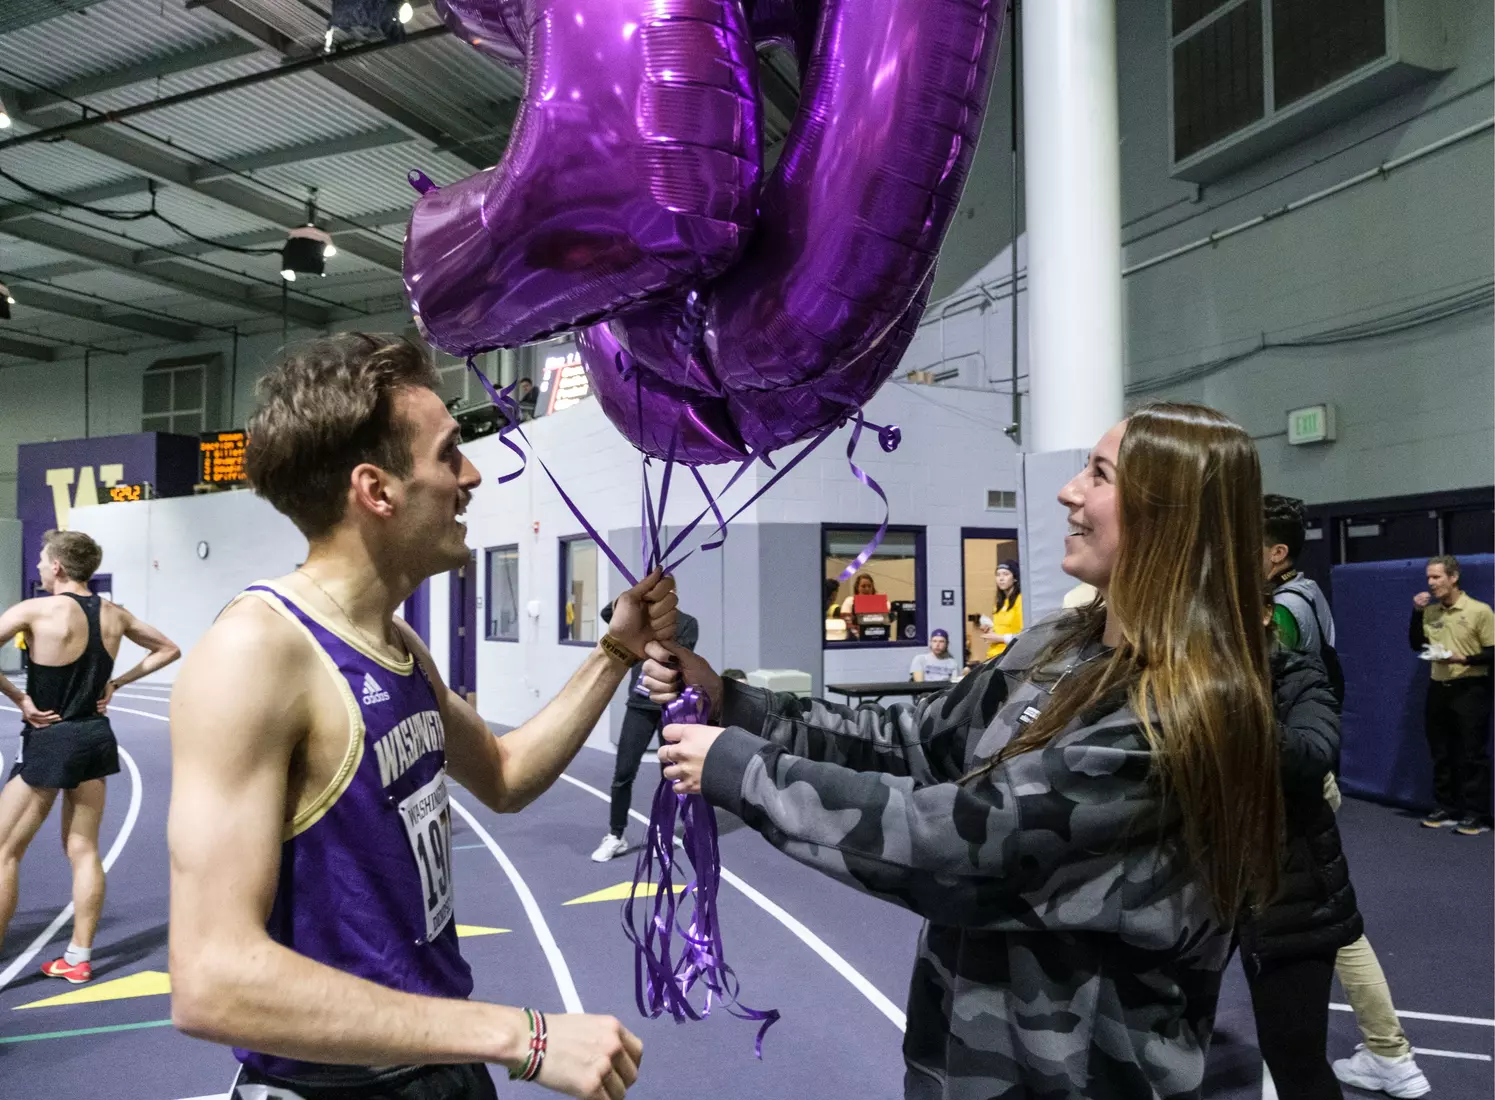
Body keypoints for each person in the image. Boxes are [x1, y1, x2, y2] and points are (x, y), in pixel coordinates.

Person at [646, 403, 1286, 1098]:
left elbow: (961, 839)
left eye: (1100, 475)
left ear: (1170, 515)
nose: (1068, 491)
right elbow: (917, 741)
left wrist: (743, 770)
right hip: (960, 1063)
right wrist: (733, 703)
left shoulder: (1174, 716)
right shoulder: (1058, 645)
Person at [168, 334, 662, 1100]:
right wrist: (521, 1037)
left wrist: (616, 651)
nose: (470, 476)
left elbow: (504, 775)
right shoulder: (255, 654)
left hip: (436, 1067)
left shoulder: (395, 643)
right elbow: (212, 979)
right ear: (377, 490)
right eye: (448, 453)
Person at [1261, 497, 1429, 1095]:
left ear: (1277, 553)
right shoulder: (1305, 591)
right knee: (1324, 921)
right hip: (1294, 771)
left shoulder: (1283, 610)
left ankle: (1386, 1051)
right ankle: (1387, 1051)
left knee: (1323, 923)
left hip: (1287, 779)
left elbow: (1279, 693)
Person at [0, 530, 180, 983]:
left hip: (49, 737)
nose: (38, 567)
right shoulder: (115, 615)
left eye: (42, 560)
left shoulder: (35, 610)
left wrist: (19, 698)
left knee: (4, 852)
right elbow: (168, 649)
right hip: (94, 738)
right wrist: (116, 683)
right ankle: (78, 958)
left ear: (57, 566)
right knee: (83, 850)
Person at [1237, 594, 1363, 1099]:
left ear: (1266, 612)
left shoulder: (1297, 674)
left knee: (1295, 1058)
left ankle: (1390, 1050)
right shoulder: (1166, 677)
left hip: (1290, 894)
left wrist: (1224, 702)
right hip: (1192, 892)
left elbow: (1312, 754)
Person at [591, 601, 699, 862]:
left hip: (670, 707)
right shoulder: (640, 620)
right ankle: (616, 835)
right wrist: (631, 600)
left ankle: (666, 832)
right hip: (639, 706)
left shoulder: (687, 623)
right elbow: (608, 614)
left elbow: (675, 657)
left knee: (671, 775)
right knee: (623, 772)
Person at [1410, 554, 1493, 835]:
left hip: (1470, 688)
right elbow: (1416, 644)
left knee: (1472, 753)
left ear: (1453, 577)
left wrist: (1464, 659)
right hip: (1438, 688)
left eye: (1436, 577)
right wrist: (1416, 612)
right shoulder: (1431, 612)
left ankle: (1476, 813)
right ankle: (1446, 806)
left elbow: (1493, 652)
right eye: (1428, 578)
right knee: (1441, 751)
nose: (1431, 583)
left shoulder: (1479, 611)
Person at [981, 559, 1021, 659]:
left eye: (1005, 574)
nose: (1001, 578)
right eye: (998, 575)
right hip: (994, 654)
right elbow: (1002, 628)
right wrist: (990, 629)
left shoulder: (1020, 601)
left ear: (1015, 578)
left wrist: (999, 638)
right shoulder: (999, 603)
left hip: (1010, 656)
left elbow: (1025, 634)